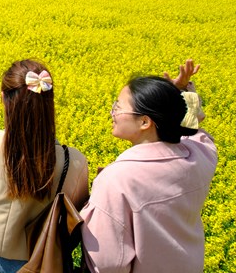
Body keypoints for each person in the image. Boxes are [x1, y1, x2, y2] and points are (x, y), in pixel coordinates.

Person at [80, 59, 217, 272]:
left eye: (118, 106)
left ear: (145, 122)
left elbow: (107, 263)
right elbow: (194, 127)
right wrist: (179, 91)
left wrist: (175, 91)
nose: (112, 113)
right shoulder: (200, 156)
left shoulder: (117, 180)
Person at [0, 60, 89, 273]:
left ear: (4, 99)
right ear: (49, 103)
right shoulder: (74, 161)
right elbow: (75, 209)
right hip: (38, 259)